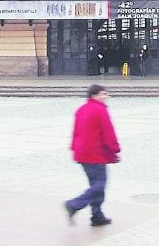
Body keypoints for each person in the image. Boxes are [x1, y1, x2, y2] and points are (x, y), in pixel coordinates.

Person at [65, 84, 120, 227]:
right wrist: (115, 149)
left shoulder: (81, 109)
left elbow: (76, 131)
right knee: (99, 185)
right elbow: (108, 132)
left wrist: (74, 148)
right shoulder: (100, 110)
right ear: (94, 95)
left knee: (95, 184)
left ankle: (97, 215)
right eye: (103, 94)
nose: (106, 97)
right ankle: (74, 204)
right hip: (95, 154)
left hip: (82, 153)